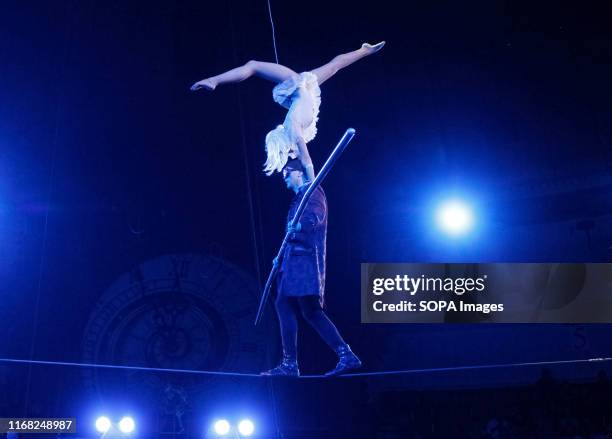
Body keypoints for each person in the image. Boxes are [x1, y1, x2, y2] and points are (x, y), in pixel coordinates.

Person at [190, 42, 385, 178]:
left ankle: (365, 51)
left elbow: (303, 155)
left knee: (334, 67)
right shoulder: (292, 128)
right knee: (253, 65)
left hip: (303, 92)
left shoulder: (294, 127)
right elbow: (306, 158)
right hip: (299, 88)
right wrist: (311, 183)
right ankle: (213, 80)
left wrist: (310, 181)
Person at [260, 157, 361, 376]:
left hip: (303, 263)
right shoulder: (298, 199)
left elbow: (314, 217)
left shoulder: (312, 192)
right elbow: (292, 233)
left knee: (284, 303)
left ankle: (290, 363)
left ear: (298, 173)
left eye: (287, 173)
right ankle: (345, 354)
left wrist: (299, 226)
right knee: (310, 311)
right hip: (294, 261)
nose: (285, 178)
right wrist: (281, 257)